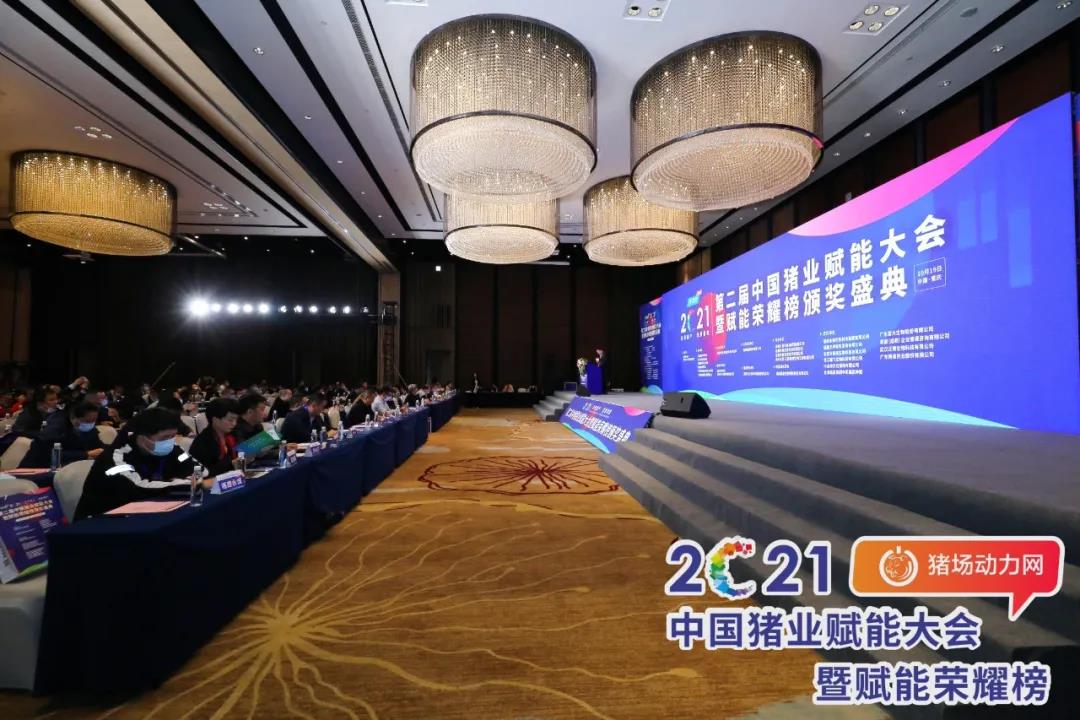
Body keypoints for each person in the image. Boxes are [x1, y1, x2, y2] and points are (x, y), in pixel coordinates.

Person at [74, 407, 198, 521]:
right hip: (100, 523)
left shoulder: (172, 448)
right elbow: (139, 487)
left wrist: (192, 480)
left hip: (144, 513)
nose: (169, 441)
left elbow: (198, 469)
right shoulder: (115, 457)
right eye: (164, 437)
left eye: (172, 436)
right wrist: (193, 484)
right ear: (142, 437)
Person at [19, 401, 107, 468]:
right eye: (88, 421)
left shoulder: (90, 430)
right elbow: (49, 454)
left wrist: (110, 450)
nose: (91, 424)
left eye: (94, 421)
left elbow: (98, 445)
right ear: (73, 418)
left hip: (68, 468)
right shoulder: (55, 430)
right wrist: (85, 454)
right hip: (37, 468)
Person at [189, 398, 240, 475]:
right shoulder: (202, 442)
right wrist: (230, 464)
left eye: (236, 420)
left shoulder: (233, 434)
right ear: (215, 419)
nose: (234, 424)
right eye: (230, 420)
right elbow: (197, 472)